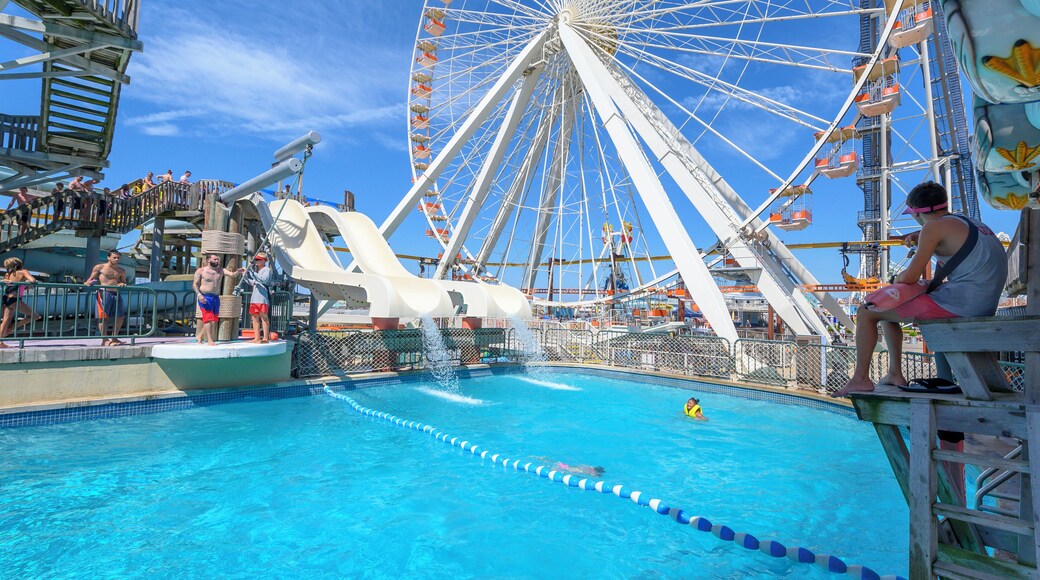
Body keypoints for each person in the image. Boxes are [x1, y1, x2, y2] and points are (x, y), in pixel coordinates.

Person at [831, 182, 1007, 397]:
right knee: (886, 310)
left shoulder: (932, 228)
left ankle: (860, 379)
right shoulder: (973, 223)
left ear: (914, 212)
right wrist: (921, 235)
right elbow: (953, 244)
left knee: (867, 311)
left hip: (960, 305)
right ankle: (895, 373)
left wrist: (897, 277)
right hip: (983, 303)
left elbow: (911, 276)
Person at [193, 254, 244, 346]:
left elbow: (232, 275)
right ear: (208, 260)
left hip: (215, 297)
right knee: (208, 319)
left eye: (218, 260)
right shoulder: (201, 271)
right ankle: (209, 340)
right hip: (205, 296)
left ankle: (200, 336)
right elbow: (195, 284)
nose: (217, 261)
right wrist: (199, 295)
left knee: (213, 319)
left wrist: (238, 271)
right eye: (215, 259)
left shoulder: (221, 270)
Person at [85, 250, 128, 346]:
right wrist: (89, 283)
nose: (116, 259)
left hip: (116, 293)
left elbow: (123, 282)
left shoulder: (121, 270)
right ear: (108, 257)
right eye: (114, 257)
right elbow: (88, 281)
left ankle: (114, 338)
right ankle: (104, 340)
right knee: (103, 317)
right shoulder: (100, 267)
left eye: (118, 258)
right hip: (104, 293)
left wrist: (122, 283)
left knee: (120, 317)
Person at [0, 257, 42, 348]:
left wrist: (24, 287)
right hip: (15, 300)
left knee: (5, 321)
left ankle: (1, 342)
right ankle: (12, 327)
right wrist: (29, 284)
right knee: (35, 316)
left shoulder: (8, 274)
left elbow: (13, 286)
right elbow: (32, 280)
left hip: (6, 298)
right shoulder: (23, 271)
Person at [242, 252, 273, 343]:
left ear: (263, 261)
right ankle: (257, 337)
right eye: (256, 260)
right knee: (254, 317)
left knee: (264, 317)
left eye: (258, 260)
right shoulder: (259, 271)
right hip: (255, 297)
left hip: (262, 297)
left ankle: (265, 337)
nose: (256, 261)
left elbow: (263, 280)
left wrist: (251, 271)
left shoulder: (266, 269)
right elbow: (253, 282)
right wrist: (244, 276)